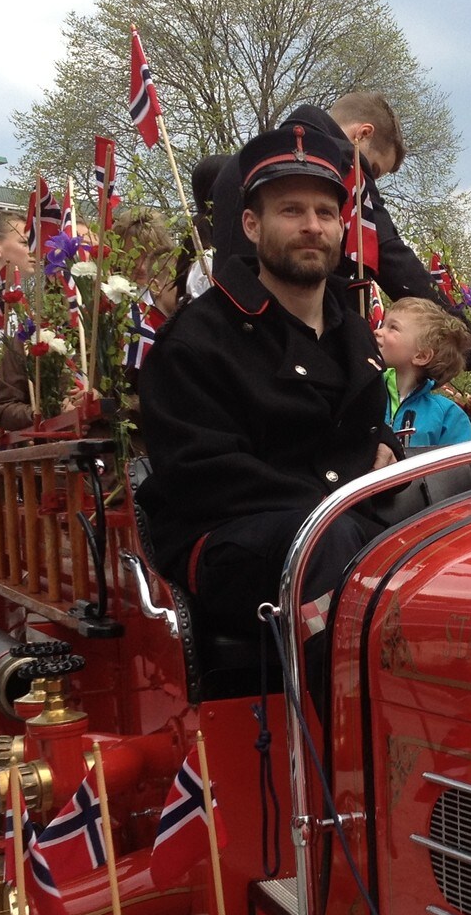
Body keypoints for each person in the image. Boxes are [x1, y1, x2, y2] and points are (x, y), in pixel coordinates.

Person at [139, 124, 401, 654]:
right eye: (292, 211)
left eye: (326, 213)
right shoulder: (196, 340)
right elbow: (204, 475)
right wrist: (339, 499)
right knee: (334, 546)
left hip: (337, 520)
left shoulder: (353, 330)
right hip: (227, 539)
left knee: (463, 519)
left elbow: (364, 426)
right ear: (252, 226)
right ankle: (348, 729)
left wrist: (390, 449)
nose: (312, 226)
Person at [204, 93, 463, 319]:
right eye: (372, 168)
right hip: (293, 328)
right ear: (363, 134)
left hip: (224, 320)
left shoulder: (235, 165)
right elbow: (387, 254)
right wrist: (458, 329)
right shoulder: (347, 162)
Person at [378, 297, 471, 448]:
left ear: (421, 356)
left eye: (393, 327)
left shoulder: (448, 416)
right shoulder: (364, 392)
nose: (377, 331)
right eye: (383, 324)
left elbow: (459, 468)